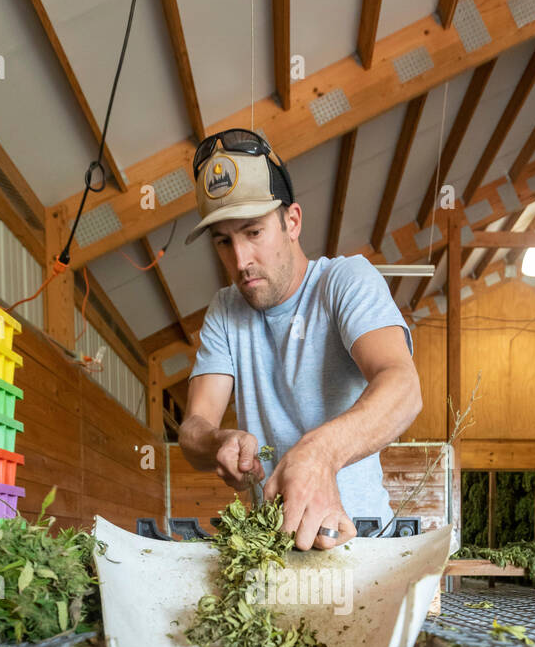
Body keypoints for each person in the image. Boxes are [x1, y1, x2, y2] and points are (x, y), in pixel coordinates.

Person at [178, 128, 422, 550]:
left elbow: (403, 387)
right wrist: (218, 441)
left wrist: (321, 452)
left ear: (292, 221)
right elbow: (193, 429)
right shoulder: (224, 309)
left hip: (360, 543)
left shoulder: (345, 282)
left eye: (253, 232)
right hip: (270, 547)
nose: (240, 261)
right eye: (224, 242)